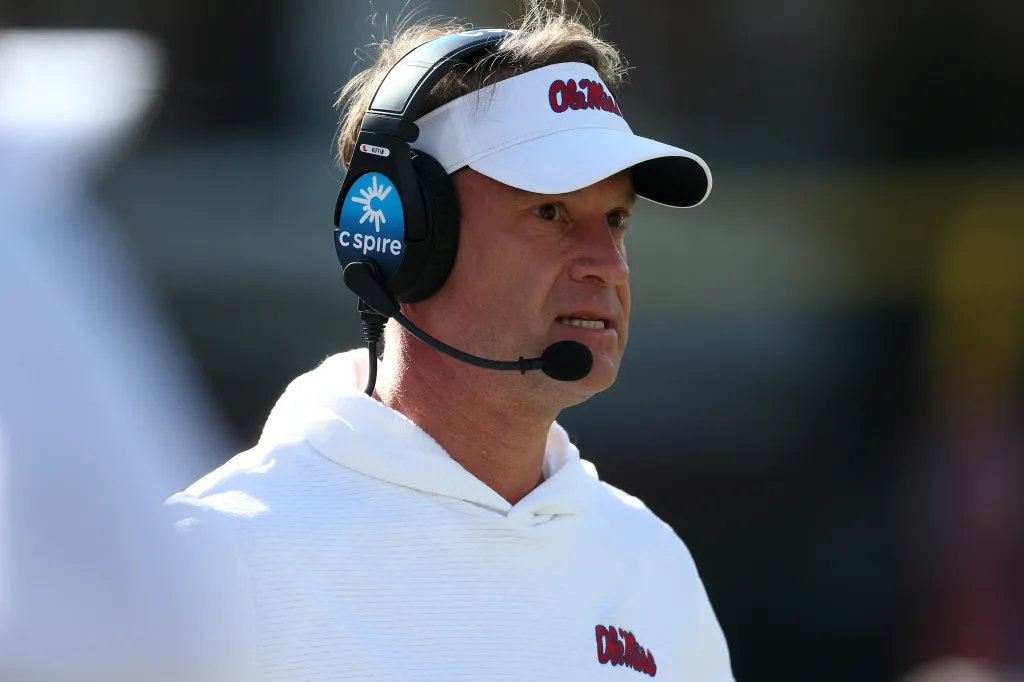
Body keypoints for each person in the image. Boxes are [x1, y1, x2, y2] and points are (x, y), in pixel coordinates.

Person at [168, 3, 736, 680]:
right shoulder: (216, 562)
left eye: (615, 219)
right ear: (407, 237)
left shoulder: (652, 567)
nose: (607, 265)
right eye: (550, 212)